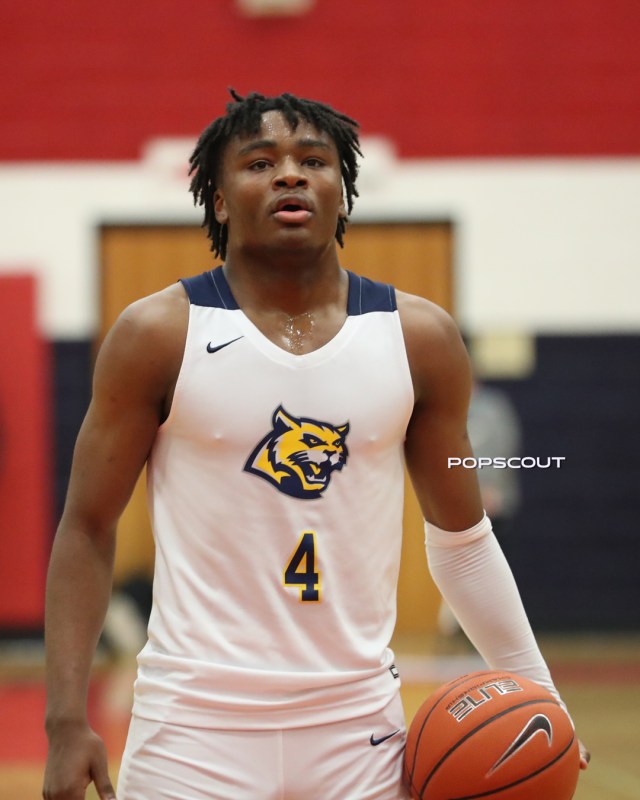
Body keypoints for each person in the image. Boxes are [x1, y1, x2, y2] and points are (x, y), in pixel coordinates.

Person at [42, 90, 589, 800]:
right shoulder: (157, 335)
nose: (290, 174)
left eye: (313, 160)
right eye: (259, 162)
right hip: (192, 730)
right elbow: (86, 528)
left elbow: (463, 542)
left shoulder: (419, 339)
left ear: (344, 191)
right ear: (218, 200)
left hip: (357, 733)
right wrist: (65, 722)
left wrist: (540, 693)